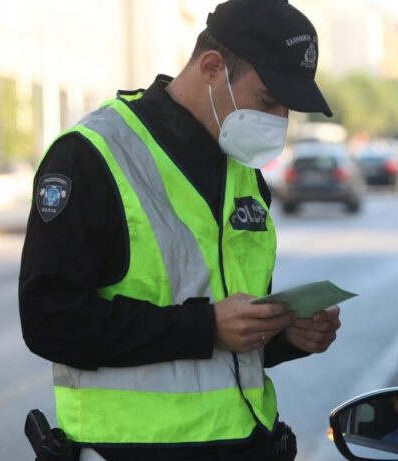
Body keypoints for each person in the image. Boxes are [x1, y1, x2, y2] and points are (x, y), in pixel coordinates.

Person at [18, 0, 341, 460]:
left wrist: (285, 337)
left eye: (287, 108)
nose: (279, 121)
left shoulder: (244, 172)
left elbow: (229, 343)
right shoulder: (92, 155)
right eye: (268, 101)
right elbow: (49, 321)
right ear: (212, 67)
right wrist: (205, 326)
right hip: (128, 450)